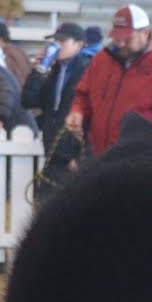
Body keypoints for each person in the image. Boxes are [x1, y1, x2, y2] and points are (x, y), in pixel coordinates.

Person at [67, 3, 152, 155]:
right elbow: (83, 94)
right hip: (99, 156)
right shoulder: (101, 59)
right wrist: (77, 112)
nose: (121, 43)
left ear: (145, 33)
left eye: (127, 38)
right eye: (117, 37)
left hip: (142, 161)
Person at [20, 20, 92, 190]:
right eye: (56, 41)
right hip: (53, 151)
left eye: (62, 41)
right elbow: (28, 100)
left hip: (73, 154)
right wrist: (39, 70)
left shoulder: (89, 70)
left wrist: (83, 156)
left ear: (79, 45)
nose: (57, 46)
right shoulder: (55, 71)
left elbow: (95, 116)